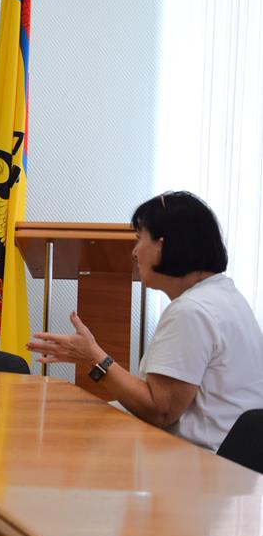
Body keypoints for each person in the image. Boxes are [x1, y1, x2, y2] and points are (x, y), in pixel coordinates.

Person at [27, 191, 263, 451]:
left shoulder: (192, 310)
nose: (134, 252)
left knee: (67, 436)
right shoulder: (226, 296)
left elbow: (160, 411)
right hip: (224, 459)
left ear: (161, 245)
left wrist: (94, 358)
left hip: (197, 464)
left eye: (139, 239)